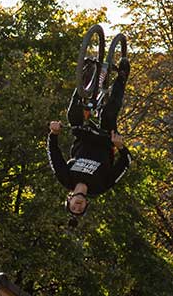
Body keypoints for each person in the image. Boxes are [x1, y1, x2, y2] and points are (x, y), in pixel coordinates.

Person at [48, 38, 131, 217]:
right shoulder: (100, 186)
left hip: (83, 136)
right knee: (109, 114)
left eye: (73, 207)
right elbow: (125, 164)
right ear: (86, 203)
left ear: (69, 199)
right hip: (105, 140)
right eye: (81, 208)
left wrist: (53, 134)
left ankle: (85, 76)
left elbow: (54, 156)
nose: (77, 206)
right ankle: (122, 77)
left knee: (73, 115)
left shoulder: (66, 179)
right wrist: (120, 147)